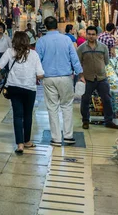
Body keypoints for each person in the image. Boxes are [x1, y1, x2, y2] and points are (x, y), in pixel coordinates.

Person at [36, 16, 83, 146]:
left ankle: (56, 138)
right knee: (67, 106)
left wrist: (36, 75)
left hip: (48, 78)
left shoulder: (41, 41)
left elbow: (37, 60)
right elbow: (74, 57)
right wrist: (80, 73)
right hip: (66, 77)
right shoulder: (67, 40)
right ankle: (68, 136)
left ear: (45, 27)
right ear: (57, 25)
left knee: (52, 108)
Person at [0, 31, 44, 154]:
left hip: (14, 87)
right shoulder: (33, 54)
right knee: (28, 115)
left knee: (17, 115)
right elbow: (40, 74)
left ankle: (20, 144)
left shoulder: (9, 52)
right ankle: (27, 141)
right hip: (29, 89)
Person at [78, 26, 118, 130]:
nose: (91, 36)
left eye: (93, 34)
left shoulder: (103, 47)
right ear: (86, 35)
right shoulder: (81, 48)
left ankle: (109, 121)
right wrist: (81, 76)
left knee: (107, 99)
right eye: (89, 34)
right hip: (88, 78)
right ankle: (86, 121)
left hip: (102, 78)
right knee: (85, 100)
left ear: (97, 35)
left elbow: (106, 61)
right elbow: (78, 63)